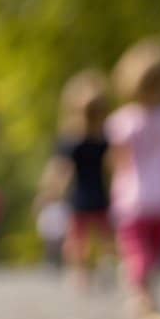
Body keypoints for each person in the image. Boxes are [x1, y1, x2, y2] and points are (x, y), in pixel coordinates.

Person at [106, 39, 160, 316]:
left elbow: (117, 160)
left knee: (136, 249)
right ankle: (144, 287)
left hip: (134, 197)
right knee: (153, 250)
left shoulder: (123, 120)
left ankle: (141, 294)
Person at [39, 70, 112, 287]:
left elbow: (62, 170)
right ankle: (87, 269)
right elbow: (63, 169)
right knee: (86, 236)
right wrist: (52, 191)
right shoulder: (78, 140)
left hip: (90, 195)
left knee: (91, 236)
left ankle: (91, 269)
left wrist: (51, 191)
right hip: (87, 195)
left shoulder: (95, 139)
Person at [36, 199, 71, 270]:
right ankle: (50, 264)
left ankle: (59, 265)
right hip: (50, 235)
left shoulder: (61, 208)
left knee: (59, 250)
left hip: (59, 233)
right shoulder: (47, 210)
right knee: (50, 250)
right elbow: (43, 222)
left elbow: (65, 220)